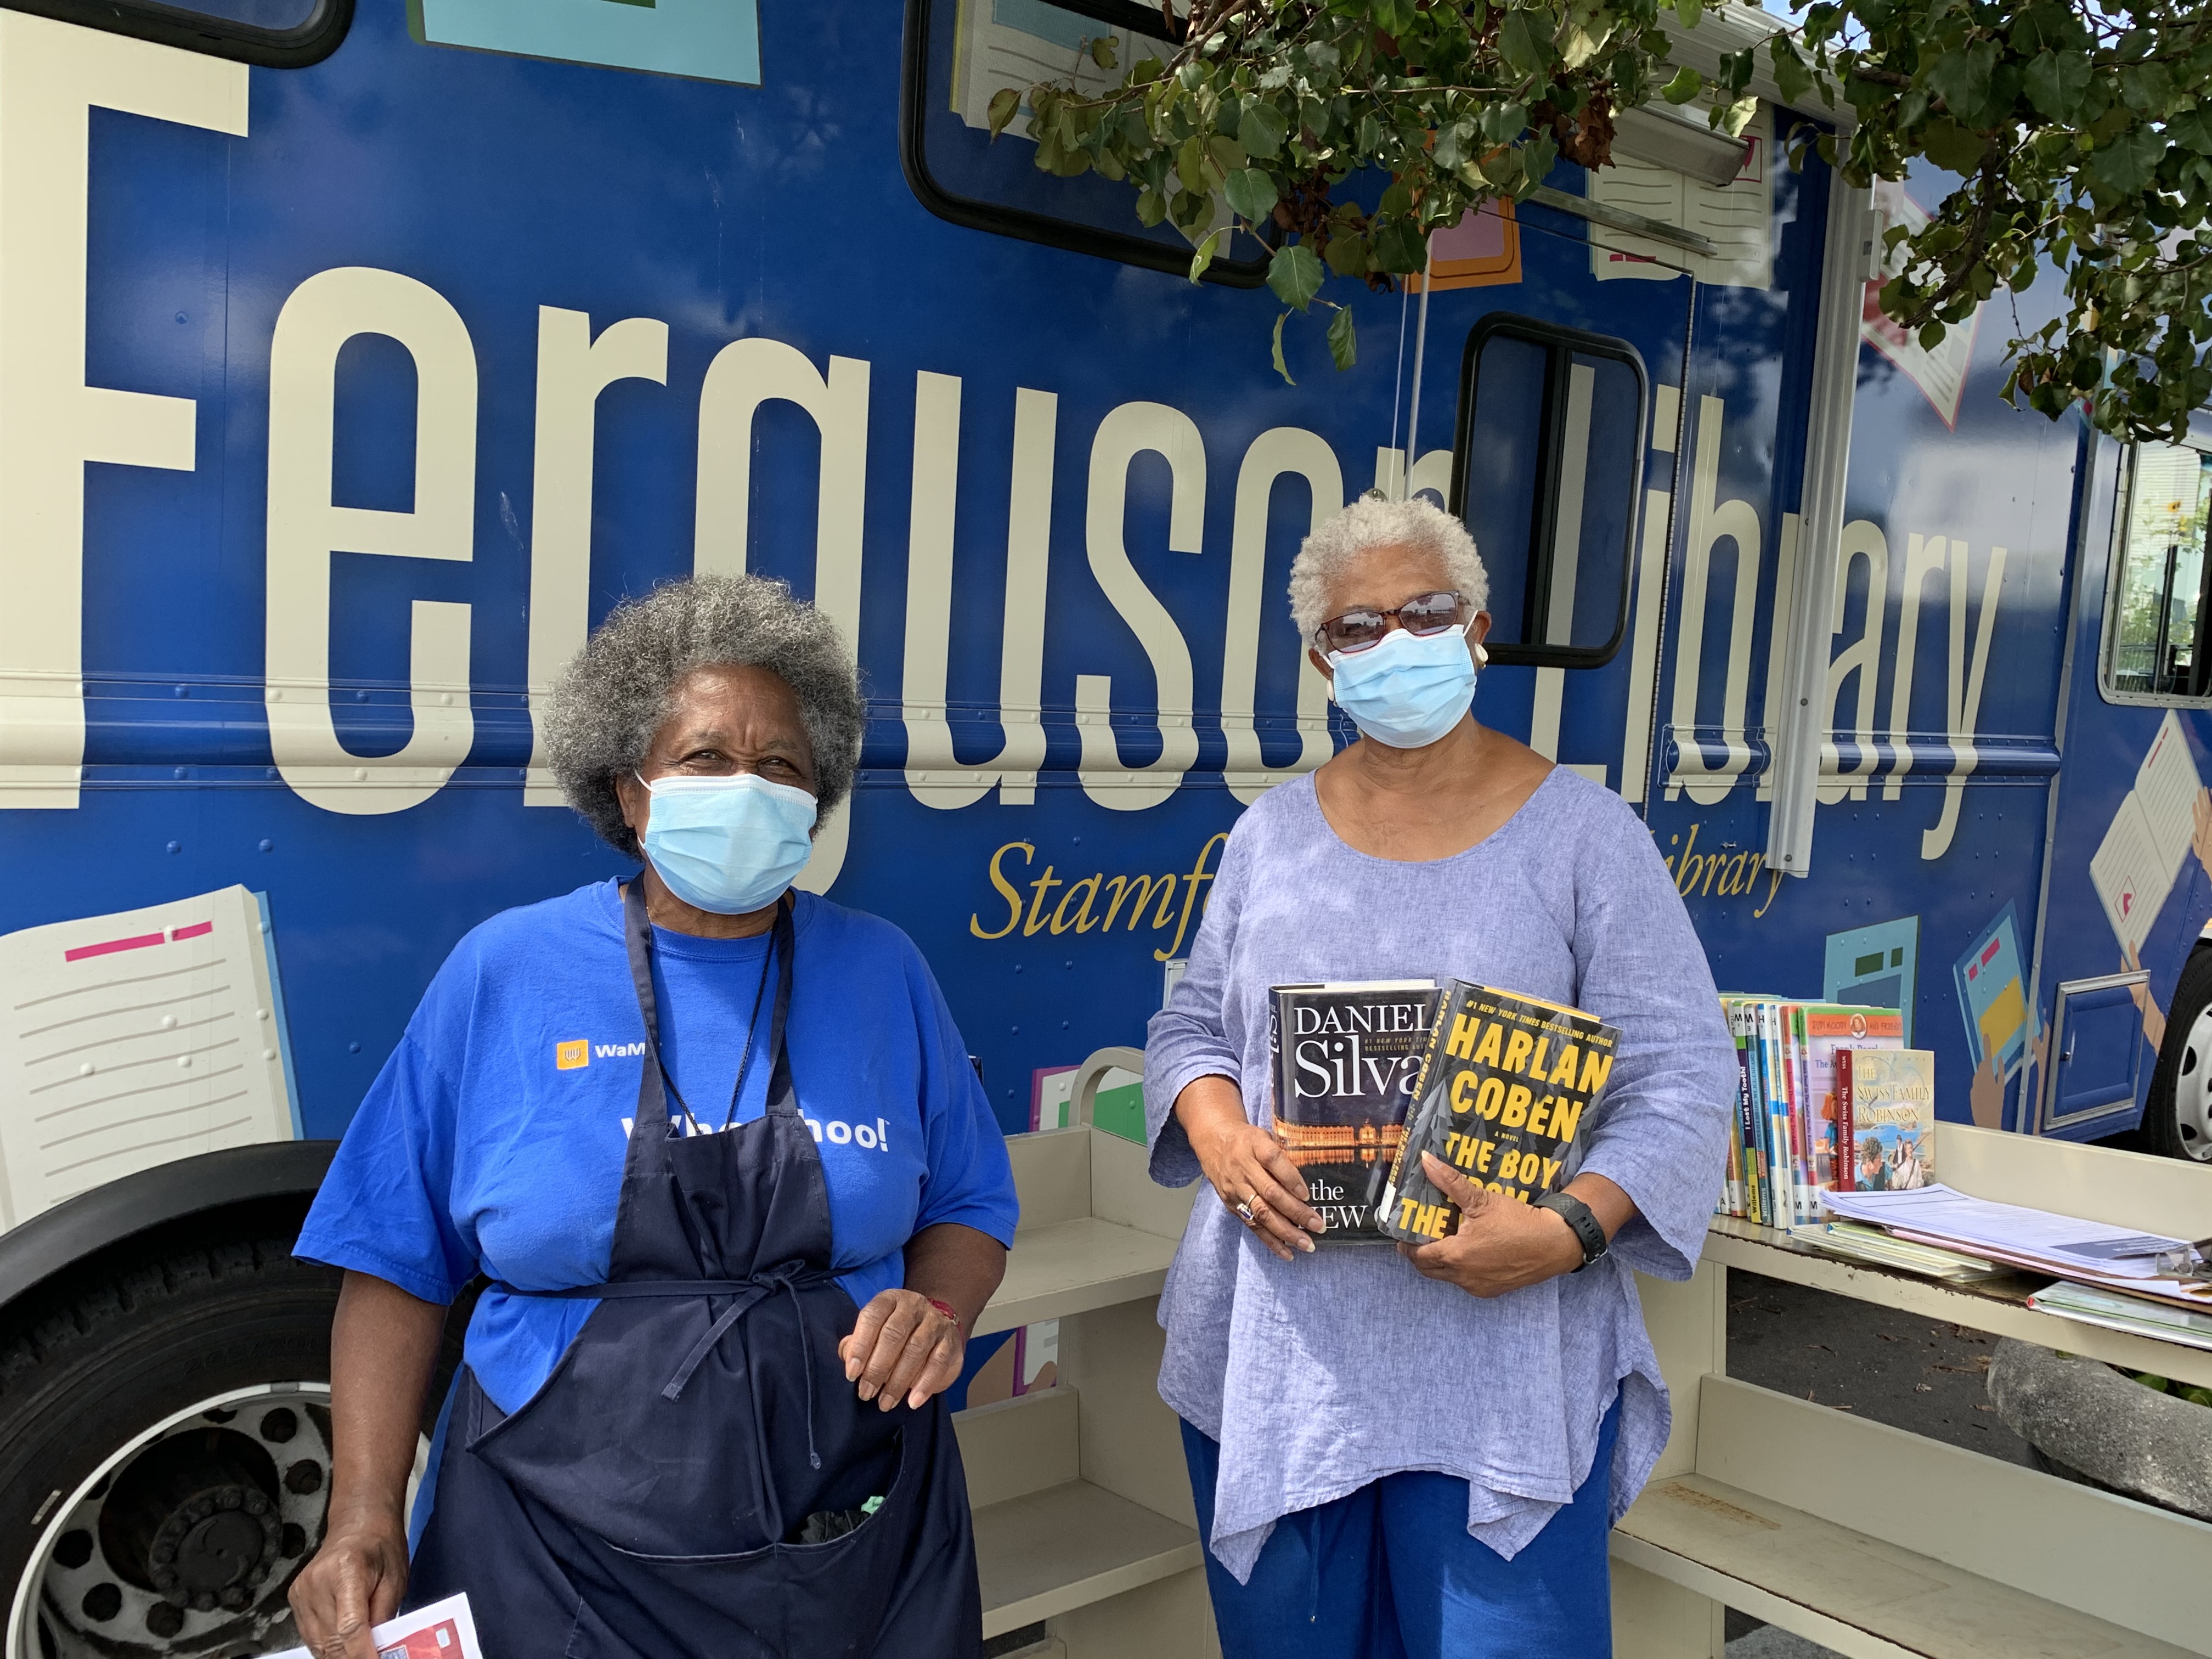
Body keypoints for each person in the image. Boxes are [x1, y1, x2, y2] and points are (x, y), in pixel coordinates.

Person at [290, 574, 1017, 1659]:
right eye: (706, 759)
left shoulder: (882, 971)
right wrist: (363, 1512)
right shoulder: (506, 971)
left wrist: (939, 1309)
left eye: (780, 766)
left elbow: (965, 1200)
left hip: (849, 1534)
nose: (748, 785)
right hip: (548, 1549)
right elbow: (397, 1261)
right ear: (628, 792)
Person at [1144, 495, 1734, 1659]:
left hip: (1501, 1374)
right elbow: (1189, 1028)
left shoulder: (1586, 837)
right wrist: (1214, 1128)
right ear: (1322, 662)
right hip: (1285, 1363)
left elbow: (1680, 1075)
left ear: (1479, 630)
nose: (1395, 639)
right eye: (1359, 627)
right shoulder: (1267, 839)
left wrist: (1568, 1229)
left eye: (1427, 610)